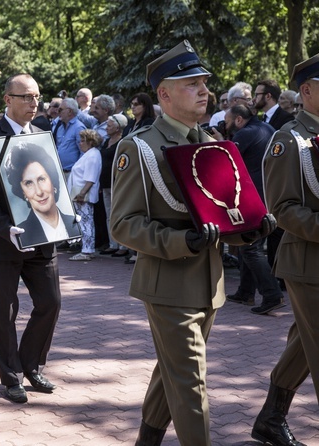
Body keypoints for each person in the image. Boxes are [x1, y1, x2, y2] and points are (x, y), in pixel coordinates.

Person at [110, 41, 275, 445]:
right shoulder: (140, 146)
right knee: (191, 382)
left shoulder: (211, 141)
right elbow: (123, 225)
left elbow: (222, 212)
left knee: (172, 371)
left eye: (204, 82)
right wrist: (181, 240)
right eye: (191, 83)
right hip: (167, 281)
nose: (204, 90)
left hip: (209, 281)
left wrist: (251, 228)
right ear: (163, 94)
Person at [0, 73, 63, 404]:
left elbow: (52, 185)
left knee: (50, 302)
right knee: (4, 311)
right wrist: (3, 227)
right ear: (8, 100)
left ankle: (32, 365)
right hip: (5, 241)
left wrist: (65, 215)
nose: (34, 103)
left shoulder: (42, 134)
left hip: (42, 239)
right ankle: (11, 377)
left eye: (37, 96)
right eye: (26, 97)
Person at [254, 53, 319, 446]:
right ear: (307, 91)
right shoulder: (288, 139)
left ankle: (270, 418)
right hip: (307, 262)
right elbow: (282, 209)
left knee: (304, 343)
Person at [219, 105, 285, 315]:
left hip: (253, 197)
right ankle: (245, 292)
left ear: (239, 120)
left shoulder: (245, 133)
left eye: (228, 122)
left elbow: (225, 161)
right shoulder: (267, 128)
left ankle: (272, 295)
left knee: (250, 247)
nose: (226, 125)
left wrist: (221, 140)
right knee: (249, 243)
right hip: (270, 194)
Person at [5, 141, 80, 247]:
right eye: (29, 183)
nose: (39, 192)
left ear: (52, 181)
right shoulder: (22, 233)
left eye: (41, 179)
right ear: (23, 192)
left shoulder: (73, 223)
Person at [67, 128, 102, 261]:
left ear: (90, 142)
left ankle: (87, 250)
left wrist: (82, 194)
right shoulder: (88, 154)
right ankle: (86, 248)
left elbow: (90, 178)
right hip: (80, 193)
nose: (80, 143)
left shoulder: (93, 155)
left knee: (86, 222)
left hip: (83, 195)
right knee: (84, 221)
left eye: (83, 141)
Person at [99, 114, 129, 257]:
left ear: (118, 127)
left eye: (110, 125)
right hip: (105, 182)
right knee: (108, 214)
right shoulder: (106, 141)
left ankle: (123, 245)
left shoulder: (122, 142)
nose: (106, 128)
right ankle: (113, 244)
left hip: (116, 182)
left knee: (118, 213)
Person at [54, 98, 86, 174]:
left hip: (72, 173)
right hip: (59, 171)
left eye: (60, 110)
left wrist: (77, 171)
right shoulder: (60, 127)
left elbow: (84, 152)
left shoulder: (79, 127)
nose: (57, 112)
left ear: (69, 111)